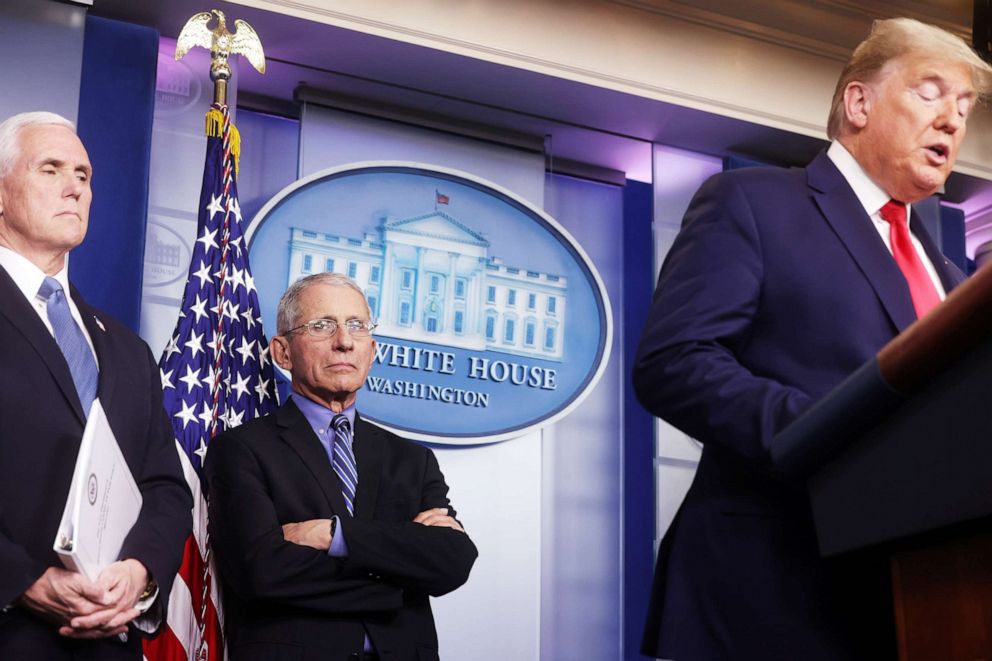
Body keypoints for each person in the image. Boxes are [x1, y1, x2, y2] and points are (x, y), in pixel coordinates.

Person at [633, 18, 992, 661]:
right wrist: (826, 434)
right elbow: (675, 362)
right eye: (930, 92)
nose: (951, 121)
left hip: (916, 602)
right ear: (859, 102)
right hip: (767, 593)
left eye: (964, 107)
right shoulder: (753, 202)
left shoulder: (952, 276)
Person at [205, 272, 478, 661]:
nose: (344, 341)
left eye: (356, 326)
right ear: (283, 353)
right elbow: (261, 571)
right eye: (322, 326)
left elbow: (452, 560)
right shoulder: (242, 449)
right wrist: (399, 581)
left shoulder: (412, 460)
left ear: (372, 348)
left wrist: (333, 535)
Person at [0, 111, 193, 659]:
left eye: (83, 176)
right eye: (51, 169)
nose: (74, 188)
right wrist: (23, 580)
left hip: (110, 642)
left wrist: (139, 574)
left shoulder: (128, 351)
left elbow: (166, 488)